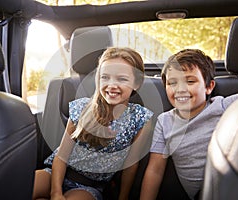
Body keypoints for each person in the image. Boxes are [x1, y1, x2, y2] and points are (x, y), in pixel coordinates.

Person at [140, 49, 238, 200]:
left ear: (209, 87)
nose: (180, 89)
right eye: (172, 83)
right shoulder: (164, 122)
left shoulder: (221, 106)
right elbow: (155, 170)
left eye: (190, 81)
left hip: (232, 187)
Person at [33, 47, 154, 200]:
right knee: (20, 187)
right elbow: (61, 155)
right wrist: (55, 193)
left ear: (136, 83)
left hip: (89, 187)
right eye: (105, 77)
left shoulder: (140, 118)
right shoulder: (82, 108)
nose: (112, 85)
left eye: (122, 79)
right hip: (55, 174)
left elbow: (130, 166)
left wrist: (122, 197)